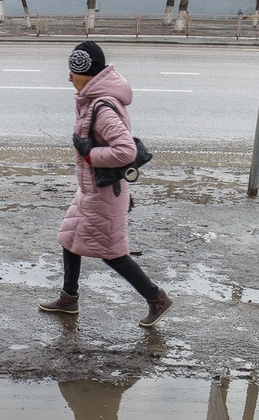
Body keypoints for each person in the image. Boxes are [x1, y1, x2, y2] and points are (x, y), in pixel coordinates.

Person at [38, 41, 173, 329]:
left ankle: (156, 298)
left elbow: (126, 151)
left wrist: (89, 154)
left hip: (103, 191)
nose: (69, 78)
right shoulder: (93, 102)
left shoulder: (101, 107)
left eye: (72, 72)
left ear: (86, 72)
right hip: (91, 189)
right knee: (69, 238)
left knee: (113, 254)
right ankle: (68, 298)